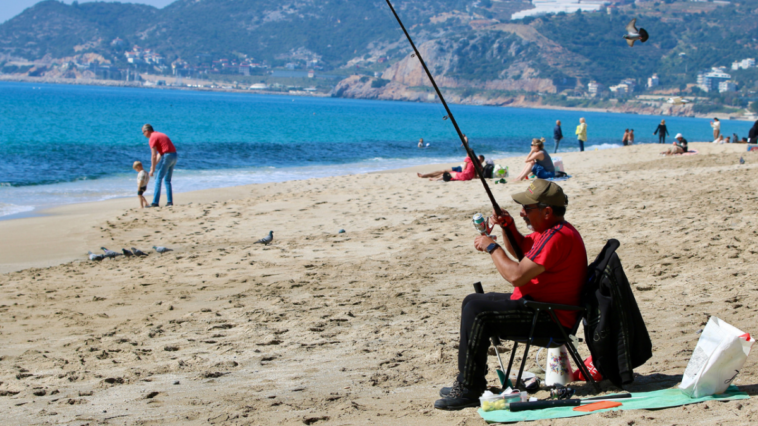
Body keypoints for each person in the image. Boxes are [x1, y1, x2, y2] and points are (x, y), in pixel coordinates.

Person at [434, 179, 586, 410]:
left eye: (527, 208)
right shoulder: (552, 231)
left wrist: (492, 247)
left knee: (478, 312)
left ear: (547, 211)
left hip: (550, 320)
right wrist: (508, 227)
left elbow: (516, 275)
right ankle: (471, 380)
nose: (522, 212)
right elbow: (522, 250)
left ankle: (469, 388)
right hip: (540, 307)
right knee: (472, 301)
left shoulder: (557, 237)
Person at [142, 124, 178, 207]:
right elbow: (159, 154)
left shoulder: (152, 138)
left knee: (158, 178)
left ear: (146, 131)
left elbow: (153, 155)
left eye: (143, 133)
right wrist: (153, 166)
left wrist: (152, 170)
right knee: (167, 180)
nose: (143, 135)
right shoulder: (159, 134)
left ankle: (155, 202)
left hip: (168, 156)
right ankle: (170, 202)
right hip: (174, 155)